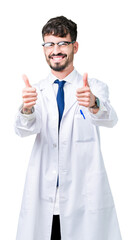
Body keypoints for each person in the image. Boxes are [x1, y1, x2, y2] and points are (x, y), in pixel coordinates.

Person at [14, 16, 122, 240]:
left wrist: (94, 102)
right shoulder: (36, 92)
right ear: (44, 49)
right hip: (45, 202)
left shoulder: (94, 87)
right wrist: (26, 109)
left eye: (62, 43)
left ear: (75, 46)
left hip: (83, 199)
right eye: (50, 44)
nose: (56, 50)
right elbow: (23, 130)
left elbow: (109, 119)